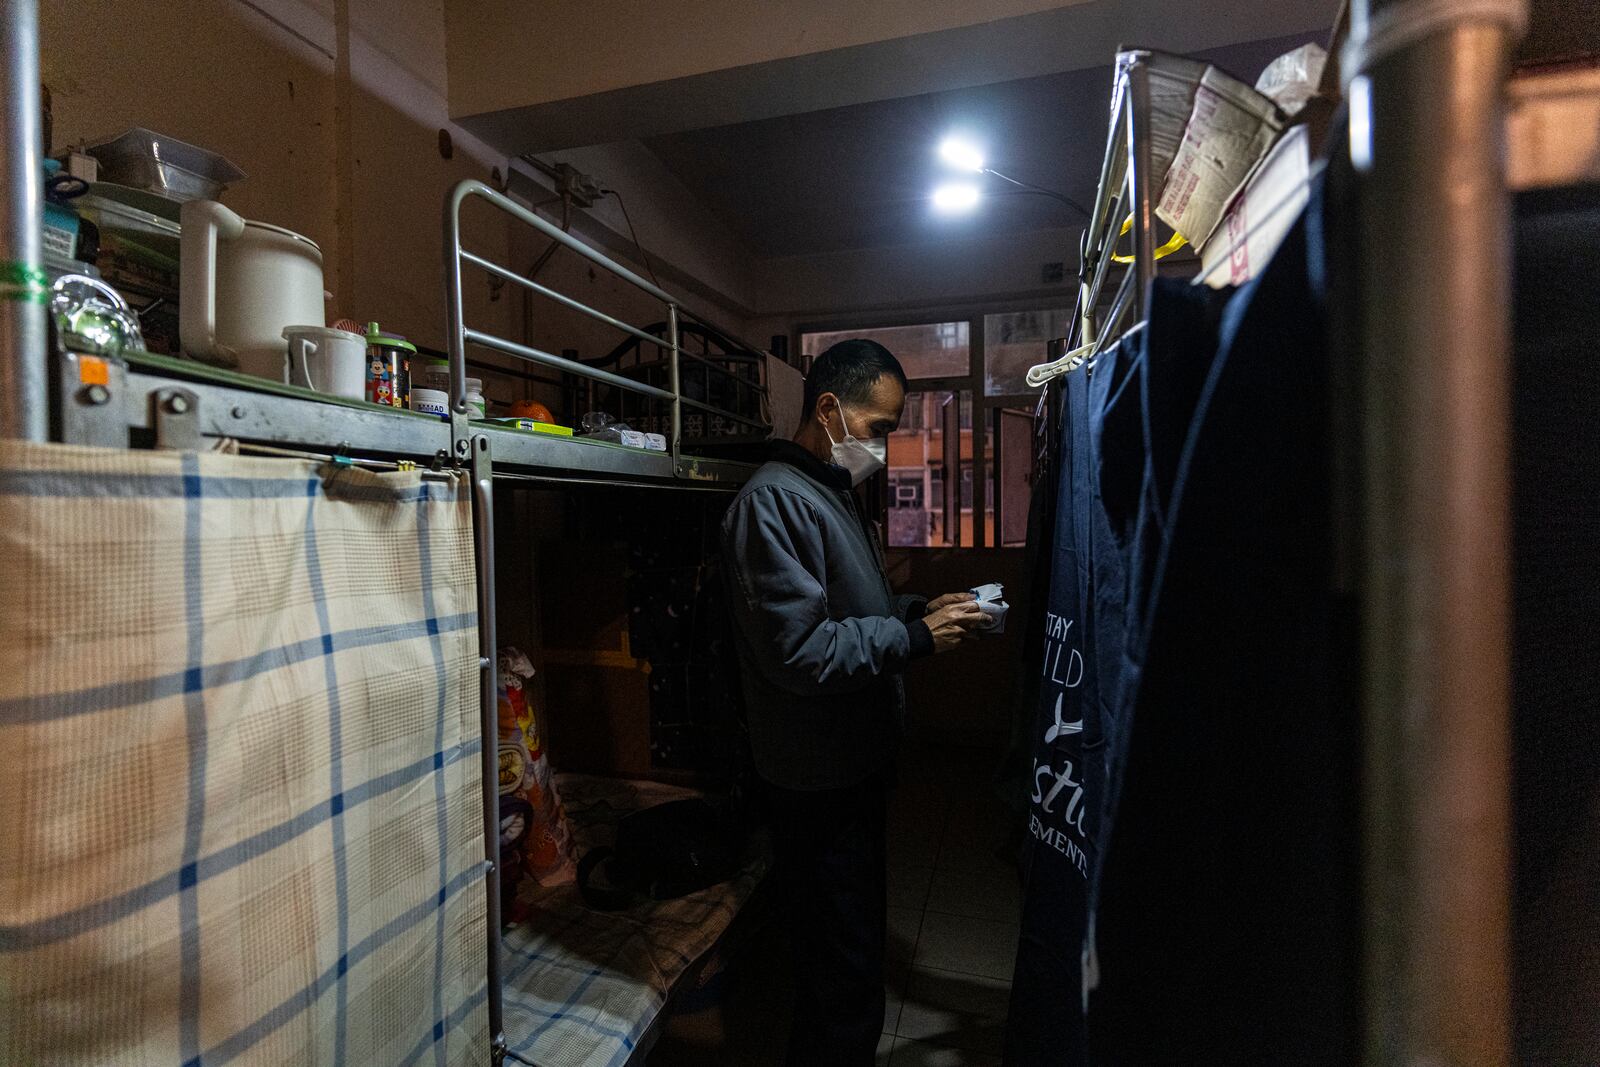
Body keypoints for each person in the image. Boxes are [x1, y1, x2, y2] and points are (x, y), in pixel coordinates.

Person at [720, 338, 986, 1066]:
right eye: (880, 428)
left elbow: (850, 602)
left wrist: (915, 605)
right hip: (817, 780)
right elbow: (800, 652)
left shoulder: (831, 492)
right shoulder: (774, 502)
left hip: (853, 766)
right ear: (829, 409)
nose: (885, 447)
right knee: (841, 973)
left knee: (854, 950)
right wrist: (915, 638)